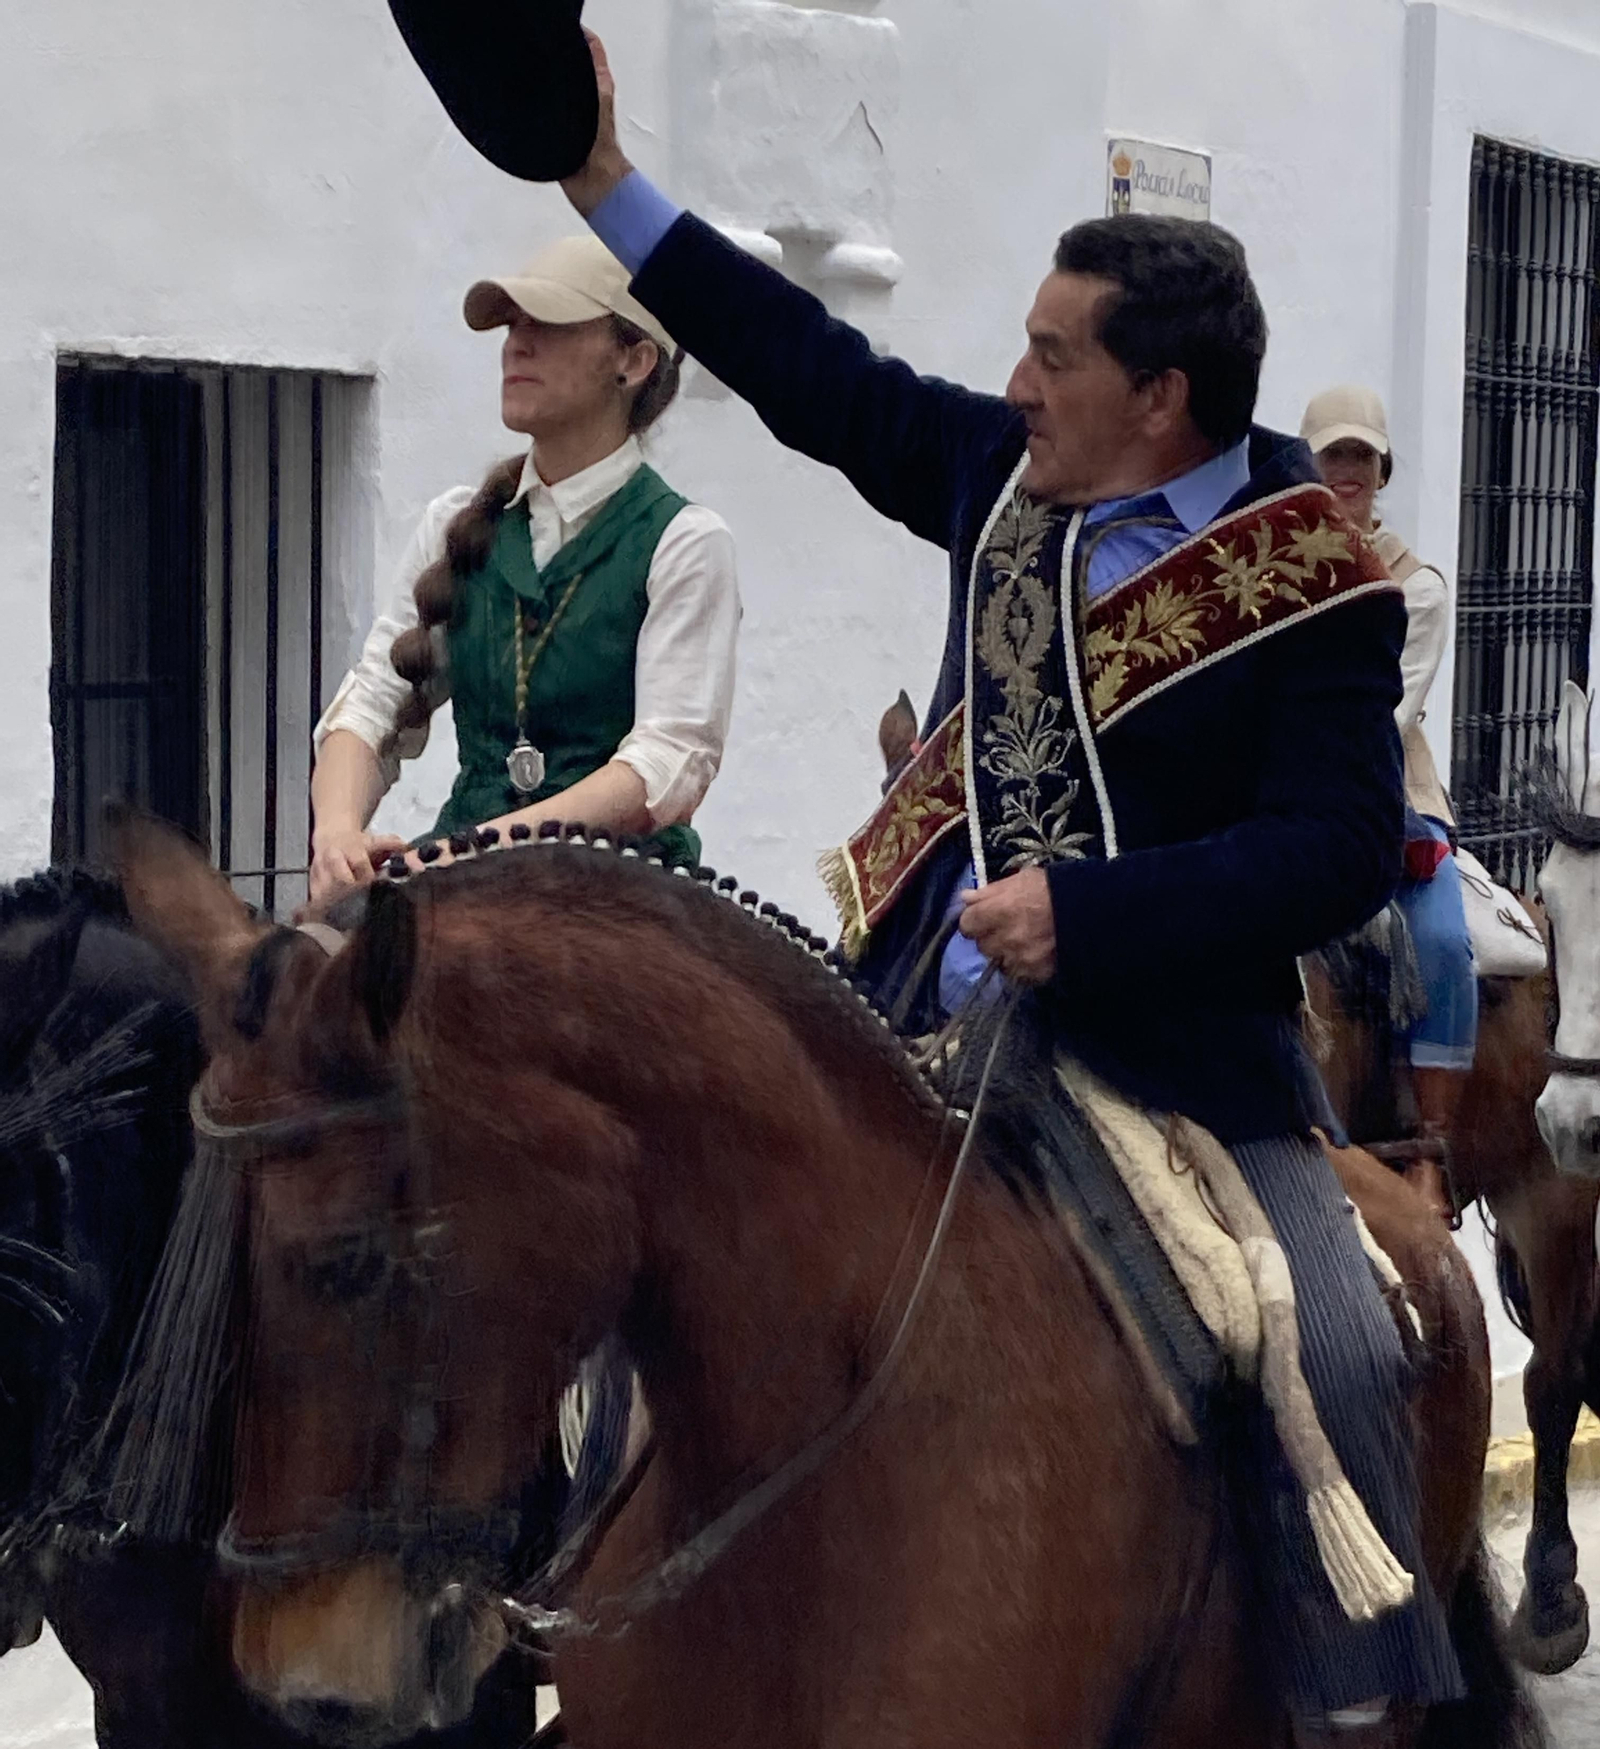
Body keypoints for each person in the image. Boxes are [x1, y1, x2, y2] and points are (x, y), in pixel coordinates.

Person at [554, 36, 1461, 1741]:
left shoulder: (1316, 578)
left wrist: (1091, 916)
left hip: (1179, 1062)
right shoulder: (1002, 483)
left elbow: (1334, 846)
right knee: (645, 1278)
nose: (1018, 380)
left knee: (1337, 1344)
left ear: (1161, 399)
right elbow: (809, 369)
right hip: (913, 1024)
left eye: (1051, 356)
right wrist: (609, 186)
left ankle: (1346, 1704)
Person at [308, 234, 740, 908]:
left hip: (618, 898)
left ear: (632, 359)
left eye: (550, 323)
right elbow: (369, 705)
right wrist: (336, 832)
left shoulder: (683, 542)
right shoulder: (456, 524)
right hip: (447, 881)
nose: (516, 344)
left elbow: (664, 764)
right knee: (286, 983)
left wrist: (474, 850)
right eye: (512, 325)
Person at [1302, 386, 1472, 1217]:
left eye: (1360, 457)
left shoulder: (1419, 587)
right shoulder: (1265, 569)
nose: (1346, 471)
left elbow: (1385, 714)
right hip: (1282, 795)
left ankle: (1429, 1154)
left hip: (1387, 795)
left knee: (1440, 936)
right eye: (1333, 455)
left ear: (1382, 470)